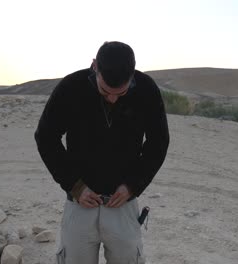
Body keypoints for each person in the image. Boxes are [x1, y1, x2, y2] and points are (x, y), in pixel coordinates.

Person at [34, 41, 169, 264]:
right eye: (105, 91)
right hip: (79, 202)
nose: (113, 98)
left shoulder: (146, 89)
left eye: (121, 93)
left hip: (123, 203)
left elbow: (158, 142)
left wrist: (133, 185)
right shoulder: (71, 87)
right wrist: (74, 185)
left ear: (133, 74)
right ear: (94, 66)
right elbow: (46, 138)